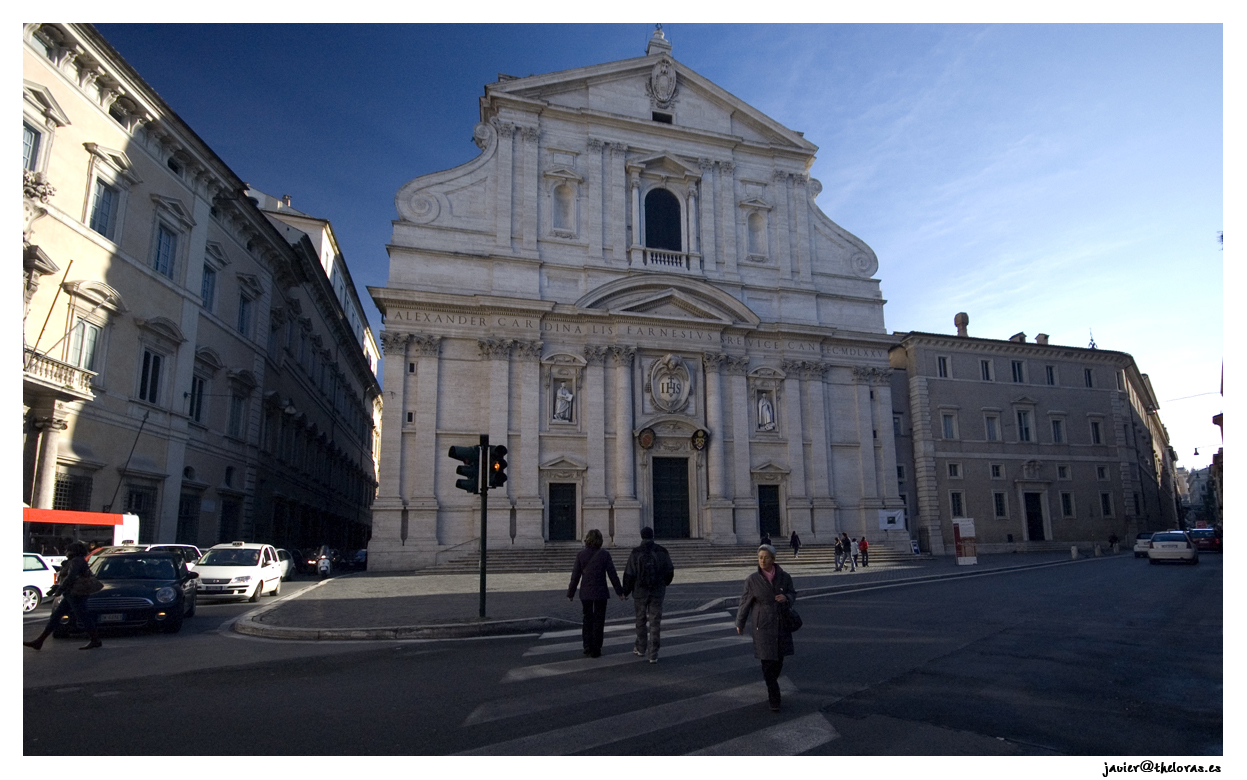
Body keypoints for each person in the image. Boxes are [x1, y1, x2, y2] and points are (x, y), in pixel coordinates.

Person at [735, 544, 797, 712]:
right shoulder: (752, 579)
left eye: (765, 557)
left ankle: (772, 684)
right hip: (762, 625)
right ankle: (774, 696)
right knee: (767, 662)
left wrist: (787, 597)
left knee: (778, 660)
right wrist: (740, 622)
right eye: (760, 557)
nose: (762, 560)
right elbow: (745, 602)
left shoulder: (784, 577)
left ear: (773, 559)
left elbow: (793, 593)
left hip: (781, 622)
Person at [24, 541, 102, 651]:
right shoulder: (74, 561)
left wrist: (59, 590)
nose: (65, 552)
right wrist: (55, 589)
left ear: (73, 551)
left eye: (67, 550)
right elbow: (65, 578)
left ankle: (95, 640)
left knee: (82, 616)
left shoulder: (76, 561)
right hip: (71, 593)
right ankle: (39, 641)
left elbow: (71, 577)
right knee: (56, 617)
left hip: (76, 594)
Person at [622, 527, 675, 664]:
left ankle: (641, 648)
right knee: (655, 621)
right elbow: (669, 571)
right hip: (657, 591)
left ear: (641, 536)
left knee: (640, 619)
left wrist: (625, 591)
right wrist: (664, 583)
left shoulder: (636, 552)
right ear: (653, 535)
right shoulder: (662, 551)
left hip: (640, 591)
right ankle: (653, 654)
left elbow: (629, 574)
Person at [567, 529, 623, 658]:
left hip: (586, 593)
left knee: (587, 619)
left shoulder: (581, 555)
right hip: (600, 593)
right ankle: (596, 648)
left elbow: (575, 576)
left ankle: (587, 646)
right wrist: (620, 592)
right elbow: (612, 575)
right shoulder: (605, 555)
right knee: (599, 620)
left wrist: (571, 593)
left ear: (587, 539)